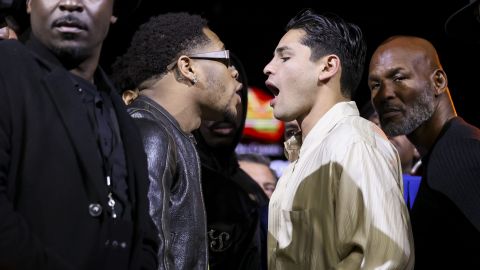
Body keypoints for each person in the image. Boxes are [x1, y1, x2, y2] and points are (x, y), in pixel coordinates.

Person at [0, 0, 159, 269]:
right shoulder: (8, 69)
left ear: (114, 11)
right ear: (28, 4)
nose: (70, 3)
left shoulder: (122, 116)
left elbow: (142, 233)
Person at [263, 9, 414, 269]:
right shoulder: (305, 155)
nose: (267, 68)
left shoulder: (354, 143)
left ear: (328, 66)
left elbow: (384, 262)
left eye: (284, 57)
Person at [111, 12, 242, 270]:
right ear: (188, 68)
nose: (234, 71)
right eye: (224, 57)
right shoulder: (150, 133)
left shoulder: (170, 134)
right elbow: (147, 257)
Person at [368, 35, 480, 269]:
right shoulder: (445, 154)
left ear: (438, 81)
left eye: (399, 77)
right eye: (375, 85)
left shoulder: (464, 153)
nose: (385, 94)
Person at [192, 53, 268, 270]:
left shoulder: (249, 188)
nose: (225, 113)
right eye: (213, 97)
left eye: (236, 95)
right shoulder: (178, 179)